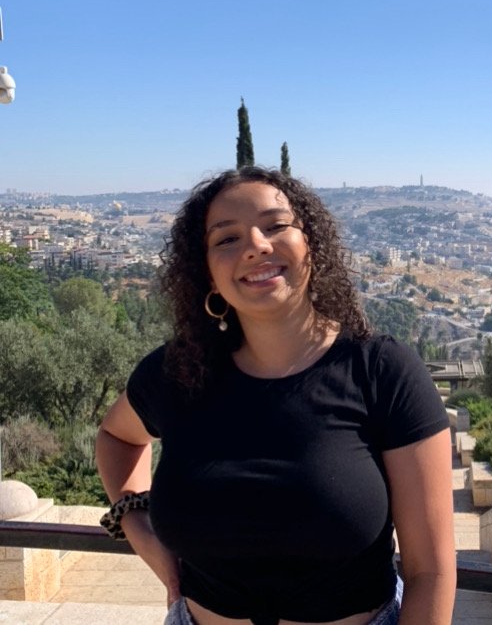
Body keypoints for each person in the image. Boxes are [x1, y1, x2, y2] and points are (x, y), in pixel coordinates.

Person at [95, 166, 456, 625]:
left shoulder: (382, 372)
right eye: (226, 239)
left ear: (312, 244)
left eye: (276, 226)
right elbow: (117, 437)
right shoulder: (178, 373)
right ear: (206, 272)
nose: (256, 246)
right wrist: (134, 520)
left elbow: (431, 572)